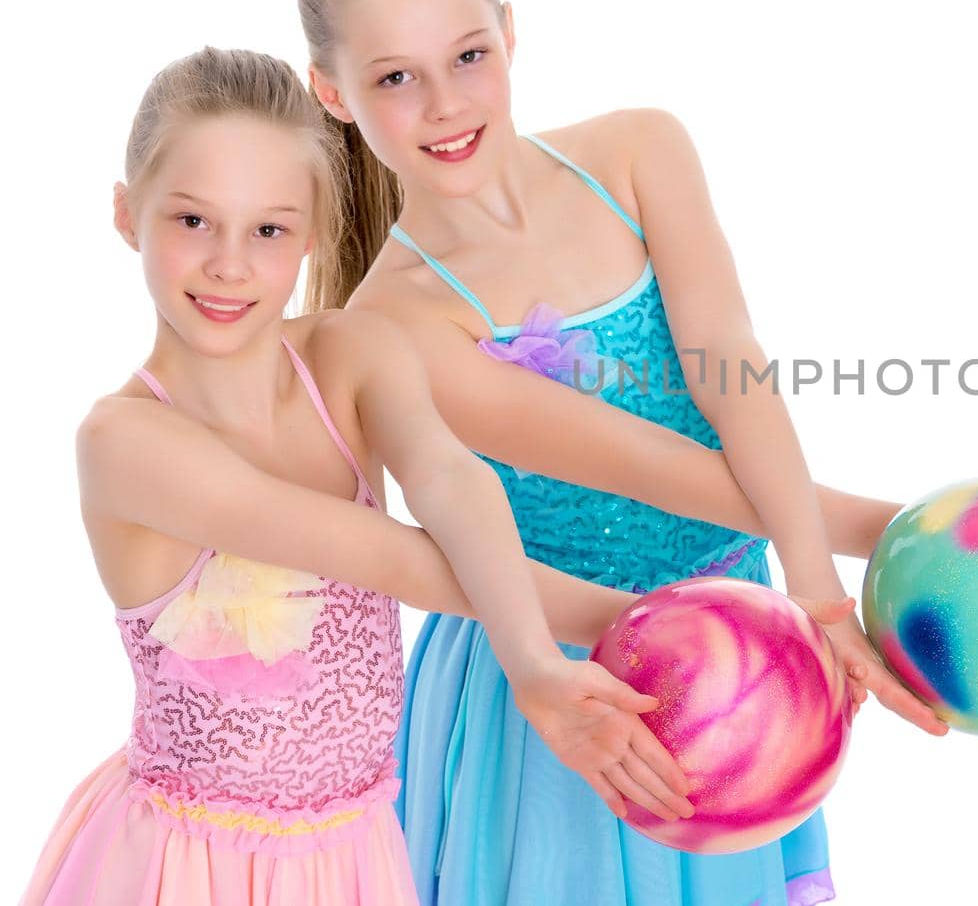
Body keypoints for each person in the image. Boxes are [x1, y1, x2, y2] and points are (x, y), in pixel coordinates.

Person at [298, 0, 978, 905]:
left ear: (510, 32)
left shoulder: (639, 152)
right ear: (332, 93)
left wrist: (865, 565)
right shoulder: (395, 325)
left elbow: (733, 368)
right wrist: (910, 528)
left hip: (741, 661)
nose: (446, 104)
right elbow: (660, 471)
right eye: (394, 78)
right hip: (587, 670)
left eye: (469, 55)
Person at [22, 46, 781, 904]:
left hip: (356, 853)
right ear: (128, 214)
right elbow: (391, 557)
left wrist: (723, 635)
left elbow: (454, 484)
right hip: (192, 868)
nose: (229, 263)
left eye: (267, 229)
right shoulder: (125, 441)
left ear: (309, 234)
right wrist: (618, 640)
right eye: (191, 221)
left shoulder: (350, 354)